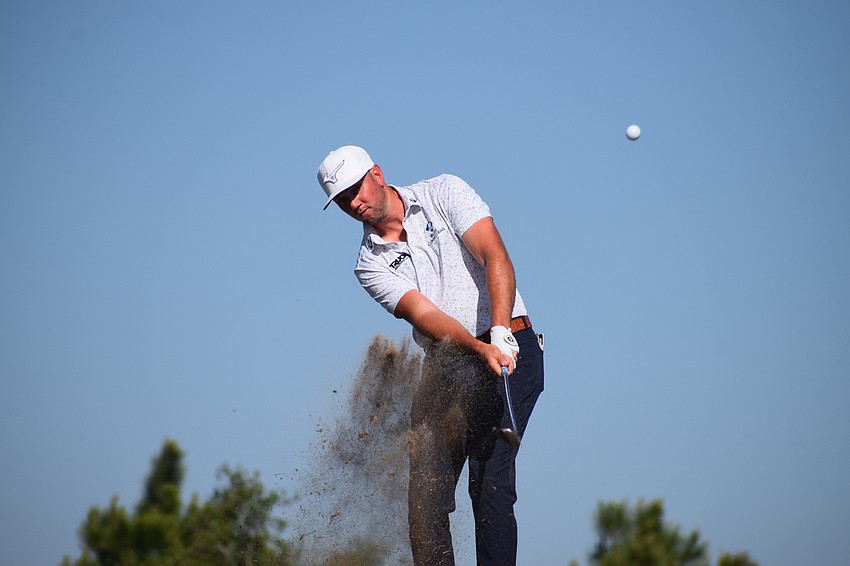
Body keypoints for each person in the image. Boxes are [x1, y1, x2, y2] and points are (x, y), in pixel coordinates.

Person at [316, 145, 544, 566]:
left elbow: (495, 255)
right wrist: (478, 347)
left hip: (512, 346)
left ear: (377, 174)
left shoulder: (443, 191)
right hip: (450, 362)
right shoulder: (369, 264)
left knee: (489, 481)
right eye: (343, 199)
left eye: (355, 189)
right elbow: (426, 315)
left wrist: (498, 331)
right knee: (425, 498)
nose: (355, 203)